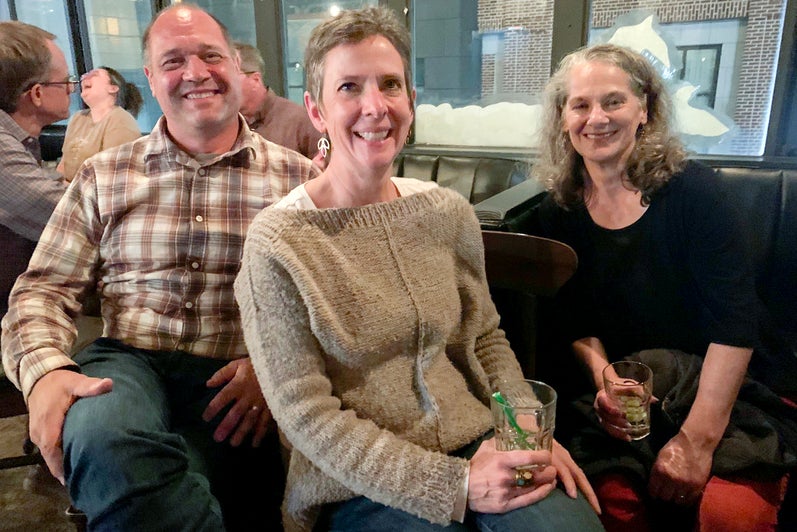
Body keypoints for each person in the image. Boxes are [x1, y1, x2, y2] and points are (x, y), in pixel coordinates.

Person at [234, 7, 603, 532]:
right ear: (316, 111)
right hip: (357, 485)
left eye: (390, 85)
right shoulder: (277, 242)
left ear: (412, 99)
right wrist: (451, 486)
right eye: (349, 87)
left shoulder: (445, 211)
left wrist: (525, 434)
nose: (375, 107)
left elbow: (485, 339)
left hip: (480, 440)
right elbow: (305, 414)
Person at [1, 4, 318, 531]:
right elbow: (42, 291)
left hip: (238, 380)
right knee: (101, 431)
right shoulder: (104, 176)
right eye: (173, 61)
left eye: (211, 56)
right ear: (150, 79)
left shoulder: (299, 182)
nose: (195, 73)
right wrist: (45, 371)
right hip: (127, 362)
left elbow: (329, 304)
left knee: (219, 496)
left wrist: (276, 364)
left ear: (237, 68)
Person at [531, 43, 797, 531]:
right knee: (610, 508)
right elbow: (573, 323)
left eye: (613, 101)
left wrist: (696, 443)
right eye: (580, 104)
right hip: (628, 398)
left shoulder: (697, 195)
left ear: (644, 109)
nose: (597, 118)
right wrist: (606, 378)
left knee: (729, 516)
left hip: (718, 390)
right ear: (563, 118)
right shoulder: (557, 210)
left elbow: (735, 326)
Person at [0, 21, 71, 318]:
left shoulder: (22, 139)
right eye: (66, 81)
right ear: (37, 93)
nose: (71, 89)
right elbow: (71, 215)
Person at [235, 41, 323, 164]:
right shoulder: (225, 126)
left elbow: (327, 171)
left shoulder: (300, 120)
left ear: (255, 80)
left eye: (232, 76)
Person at [57, 66, 143, 181]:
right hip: (67, 193)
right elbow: (63, 164)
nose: (83, 77)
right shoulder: (78, 118)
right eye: (84, 75)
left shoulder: (120, 120)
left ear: (112, 88)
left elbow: (113, 175)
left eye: (94, 74)